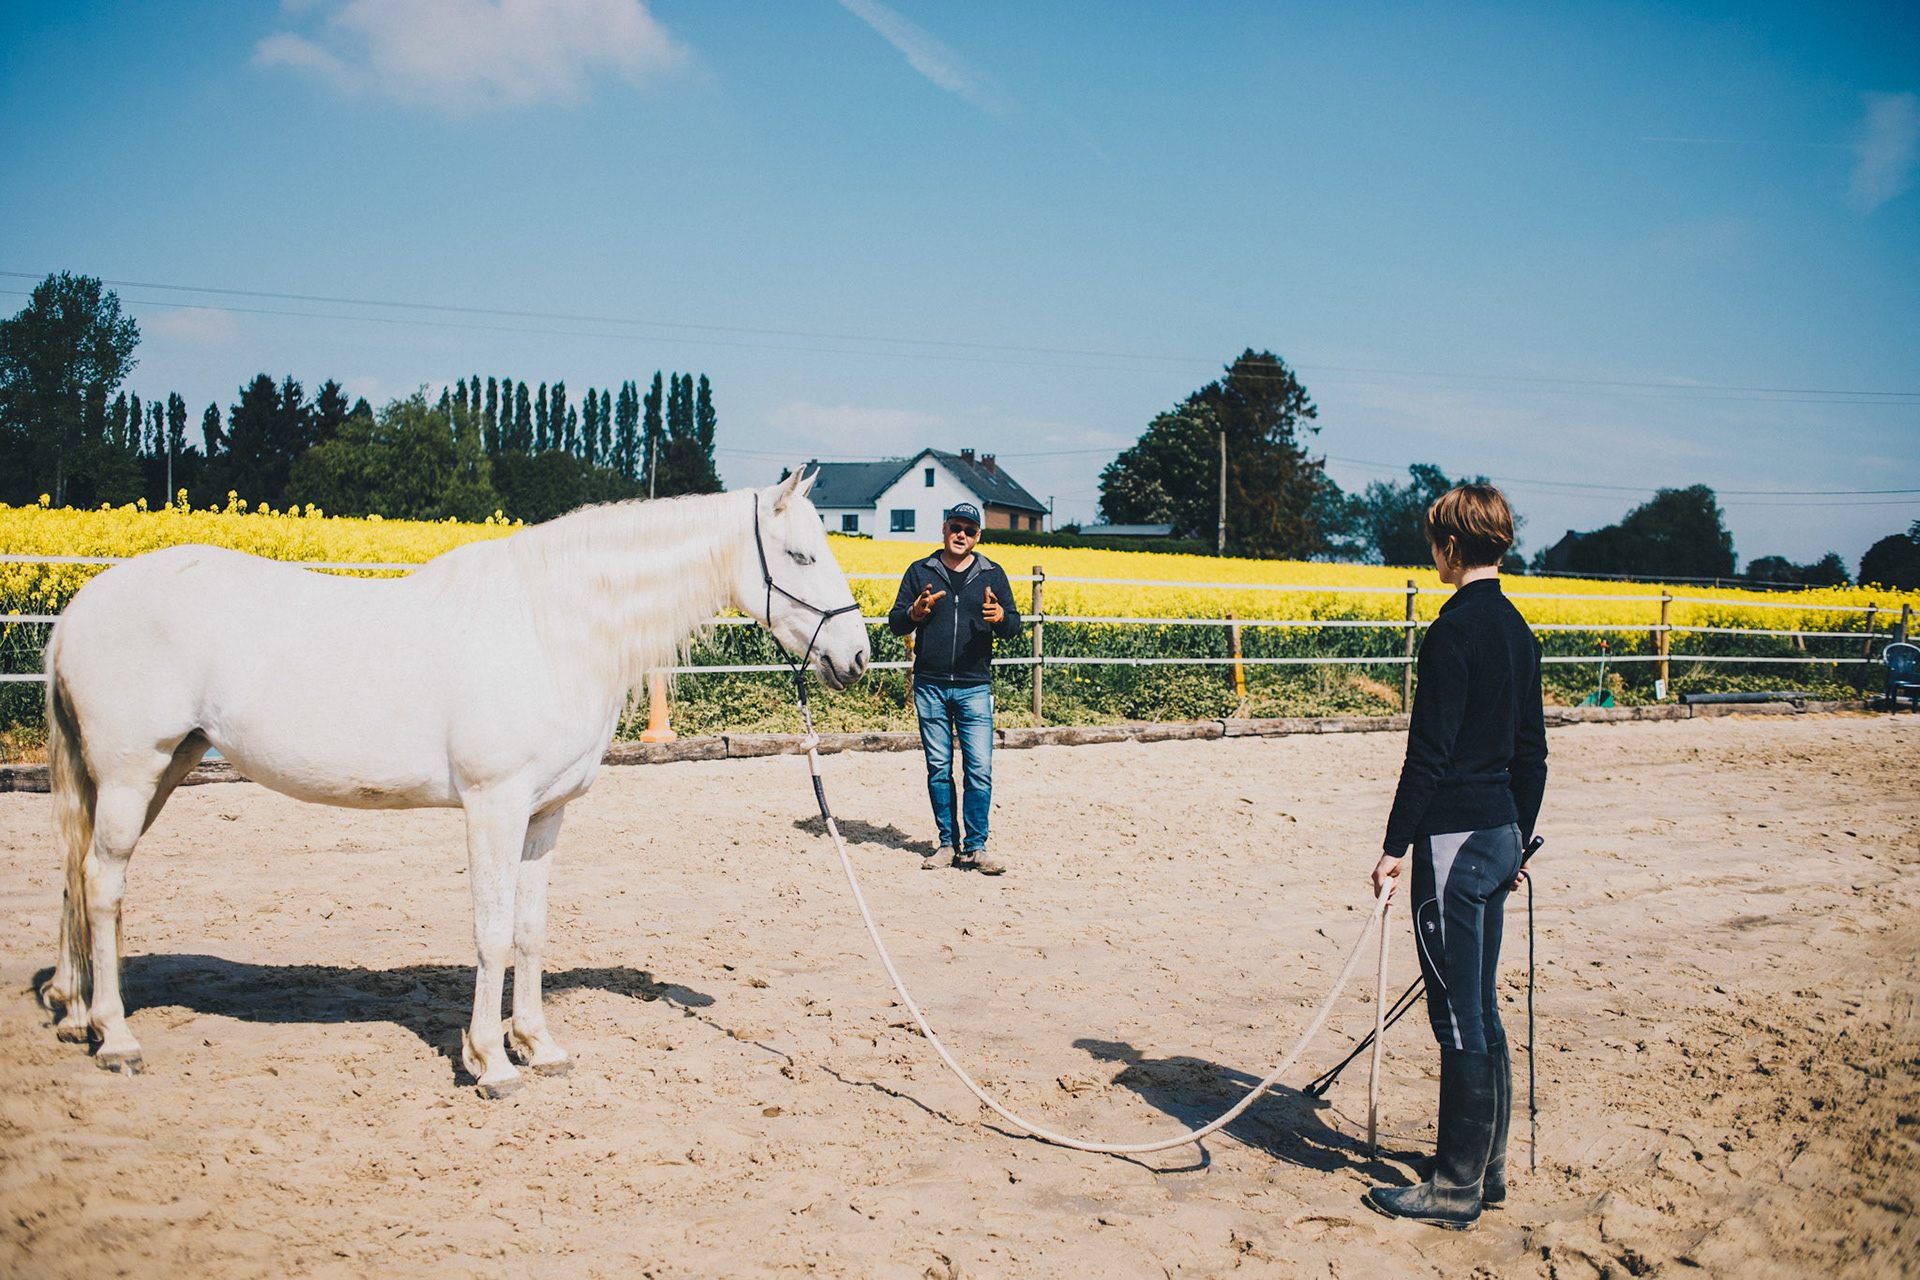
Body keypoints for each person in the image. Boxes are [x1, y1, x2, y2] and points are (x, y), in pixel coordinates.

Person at [1364, 484, 1548, 1231]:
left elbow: (1428, 756)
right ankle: (1488, 1170)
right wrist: (1519, 837)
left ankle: (1454, 1186)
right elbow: (1533, 754)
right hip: (1501, 835)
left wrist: (1392, 846)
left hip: (1453, 844)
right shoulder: (1518, 630)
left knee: (1459, 1016)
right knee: (1482, 1008)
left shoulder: (1452, 633)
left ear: (1450, 546)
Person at [888, 503, 1023, 874]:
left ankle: (976, 847)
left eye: (969, 529)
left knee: (979, 769)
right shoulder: (920, 572)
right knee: (938, 768)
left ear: (978, 536)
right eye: (955, 527)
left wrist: (1001, 619)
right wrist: (914, 613)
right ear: (944, 528)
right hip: (929, 685)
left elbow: (1013, 625)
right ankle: (947, 844)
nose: (961, 534)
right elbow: (895, 622)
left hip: (974, 686)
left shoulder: (992, 574)